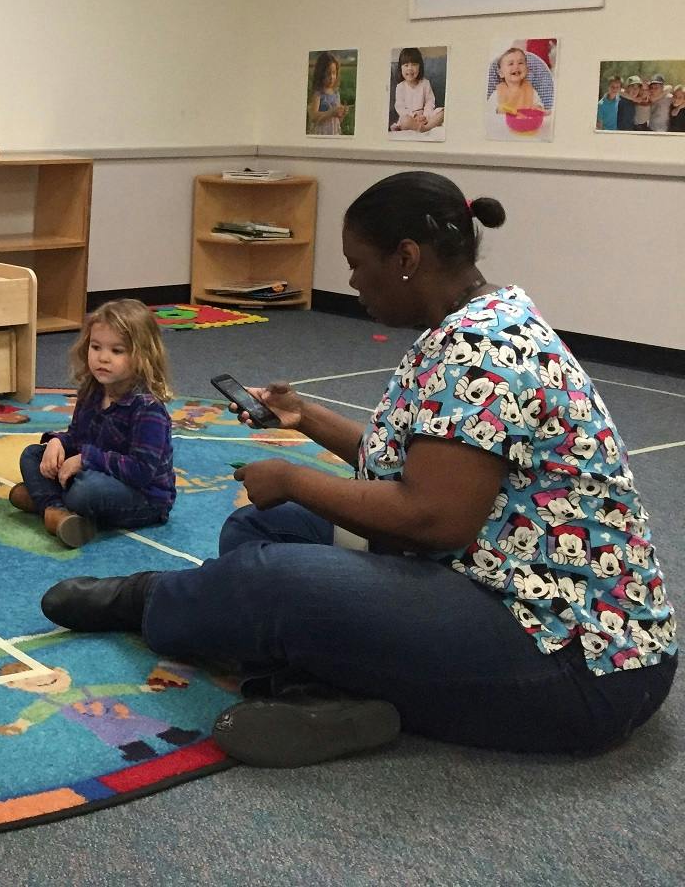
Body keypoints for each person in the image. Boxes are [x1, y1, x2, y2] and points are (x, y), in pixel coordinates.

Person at [41, 172, 674, 768]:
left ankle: (149, 599)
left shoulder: (483, 349)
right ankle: (332, 688)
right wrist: (306, 417)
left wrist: (294, 478)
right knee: (261, 529)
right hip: (485, 574)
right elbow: (412, 462)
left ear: (406, 258)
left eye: (357, 264)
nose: (351, 280)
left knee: (274, 576)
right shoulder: (475, 324)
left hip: (572, 661)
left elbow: (431, 517)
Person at [10, 300, 175, 547]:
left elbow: (141, 471)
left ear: (142, 356)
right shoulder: (92, 391)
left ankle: (45, 500)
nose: (103, 358)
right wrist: (58, 442)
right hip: (94, 472)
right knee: (33, 454)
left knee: (85, 490)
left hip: (144, 497)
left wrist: (85, 459)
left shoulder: (147, 407)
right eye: (96, 347)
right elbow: (77, 437)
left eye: (117, 351)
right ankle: (56, 511)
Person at [389, 47, 443, 135]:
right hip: (410, 118)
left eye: (414, 64)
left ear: (420, 67)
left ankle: (426, 128)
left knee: (442, 112)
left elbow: (430, 101)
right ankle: (418, 127)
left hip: (425, 117)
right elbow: (400, 107)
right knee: (405, 120)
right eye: (406, 65)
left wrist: (425, 116)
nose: (410, 68)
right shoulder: (400, 87)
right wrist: (414, 116)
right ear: (400, 68)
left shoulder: (425, 83)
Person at [489, 47, 545, 117]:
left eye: (520, 63)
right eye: (511, 64)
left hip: (526, 122)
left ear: (527, 70)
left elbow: (539, 105)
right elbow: (489, 112)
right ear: (501, 73)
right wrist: (497, 110)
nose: (516, 66)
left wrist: (538, 107)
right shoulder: (498, 92)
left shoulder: (530, 90)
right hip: (503, 123)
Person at [306, 52, 348, 136]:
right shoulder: (318, 93)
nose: (332, 77)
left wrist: (342, 114)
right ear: (321, 74)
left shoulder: (336, 93)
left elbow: (338, 121)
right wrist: (331, 112)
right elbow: (314, 117)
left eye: (334, 73)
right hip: (322, 132)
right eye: (328, 73)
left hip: (334, 132)